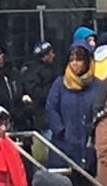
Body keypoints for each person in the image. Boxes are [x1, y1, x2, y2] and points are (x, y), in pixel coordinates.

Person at [43, 46, 101, 175]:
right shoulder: (60, 83)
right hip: (64, 145)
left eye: (79, 60)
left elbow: (101, 109)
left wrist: (94, 132)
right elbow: (51, 108)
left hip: (88, 144)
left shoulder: (97, 86)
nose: (75, 64)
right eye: (71, 60)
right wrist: (60, 130)